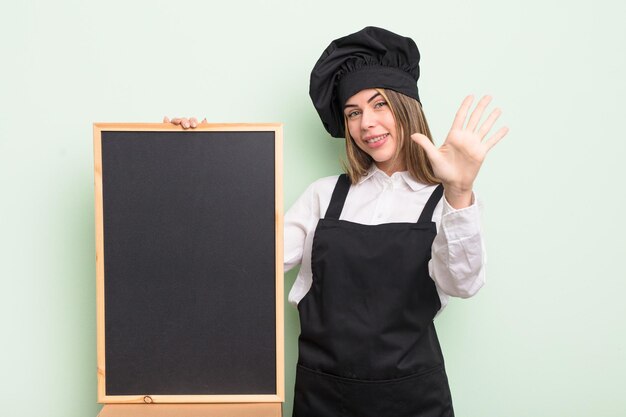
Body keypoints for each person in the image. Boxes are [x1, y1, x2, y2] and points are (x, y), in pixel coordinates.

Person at [168, 26, 507, 417]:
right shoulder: (323, 196)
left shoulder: (446, 201)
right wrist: (190, 158)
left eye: (379, 104)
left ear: (406, 107)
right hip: (324, 397)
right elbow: (243, 262)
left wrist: (460, 191)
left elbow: (462, 284)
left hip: (414, 399)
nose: (366, 123)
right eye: (353, 112)